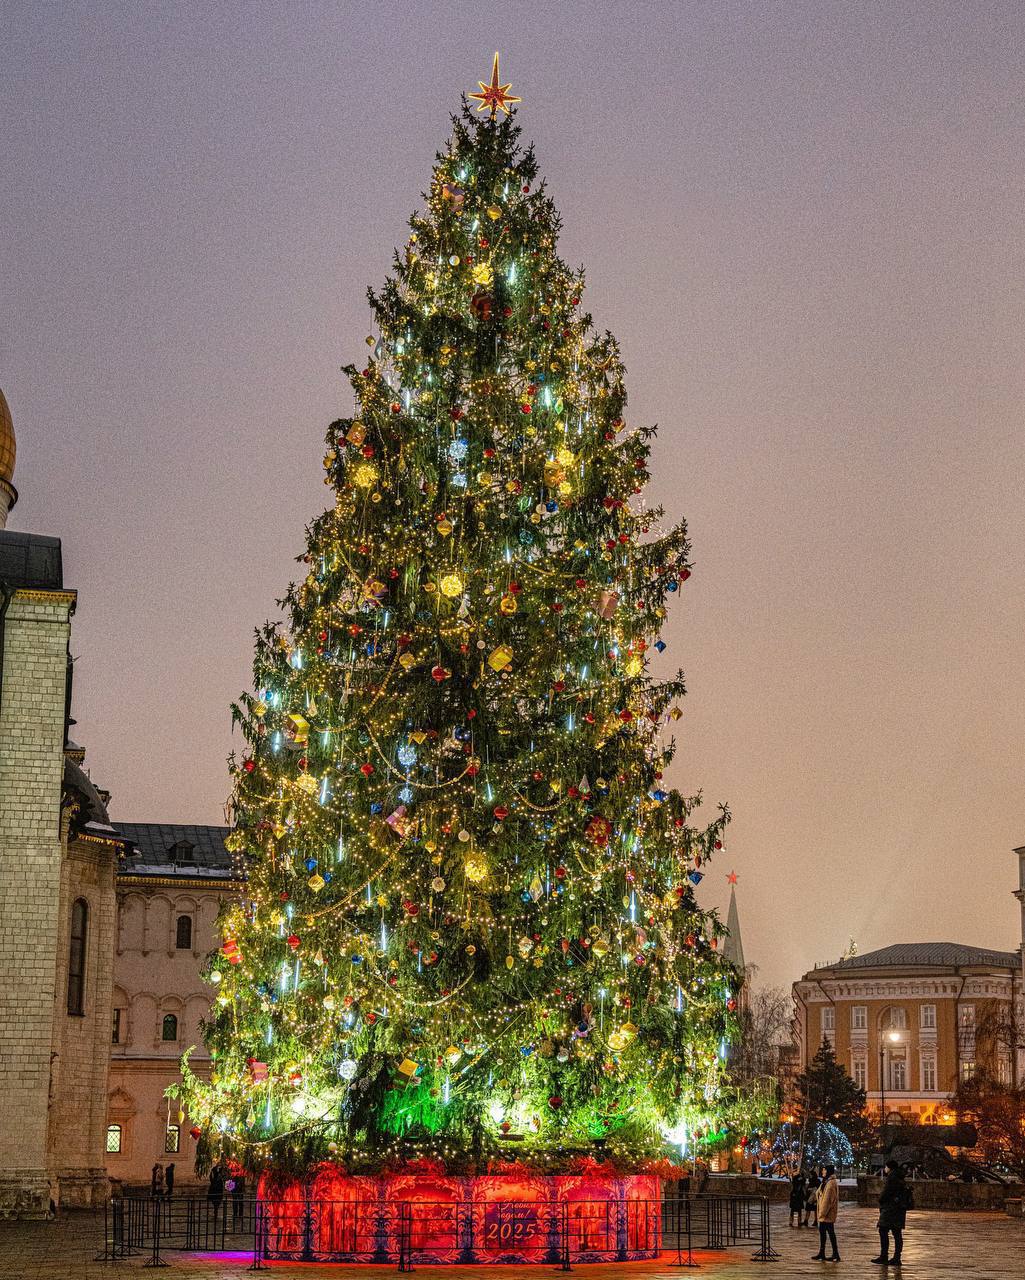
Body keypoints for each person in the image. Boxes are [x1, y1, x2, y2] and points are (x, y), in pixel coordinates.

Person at [874, 1158, 911, 1265]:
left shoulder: (892, 1177)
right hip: (898, 1209)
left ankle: (884, 1255)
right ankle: (896, 1257)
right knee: (897, 1233)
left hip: (891, 1209)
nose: (885, 1169)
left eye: (886, 1166)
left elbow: (887, 1192)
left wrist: (881, 1200)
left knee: (883, 1230)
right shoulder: (900, 1176)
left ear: (889, 1167)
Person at [812, 1165, 840, 1262]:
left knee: (830, 1232)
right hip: (824, 1213)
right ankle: (822, 1253)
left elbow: (828, 1200)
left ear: (828, 1171)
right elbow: (819, 1193)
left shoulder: (831, 1183)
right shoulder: (826, 1181)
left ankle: (835, 1253)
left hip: (827, 1213)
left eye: (824, 1170)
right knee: (823, 1233)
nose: (822, 1171)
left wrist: (822, 1213)